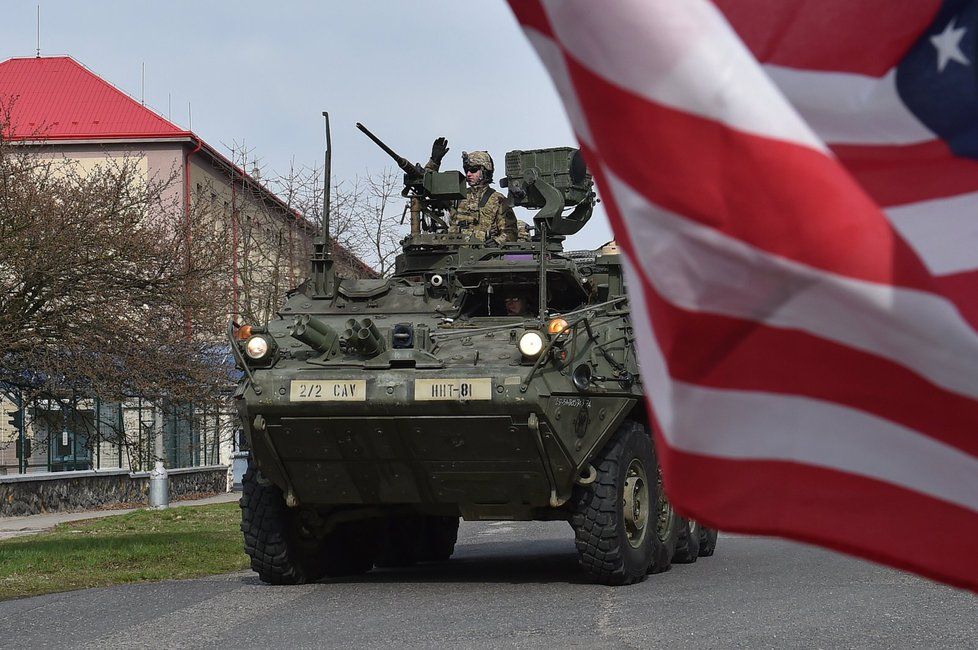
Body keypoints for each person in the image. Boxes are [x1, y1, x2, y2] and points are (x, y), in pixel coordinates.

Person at [426, 137, 518, 243]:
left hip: (482, 256)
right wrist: (434, 162)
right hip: (454, 254)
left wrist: (496, 243)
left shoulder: (498, 200)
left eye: (473, 170)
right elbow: (428, 188)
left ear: (485, 171)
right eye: (466, 170)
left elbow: (511, 233)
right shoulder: (458, 195)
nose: (468, 174)